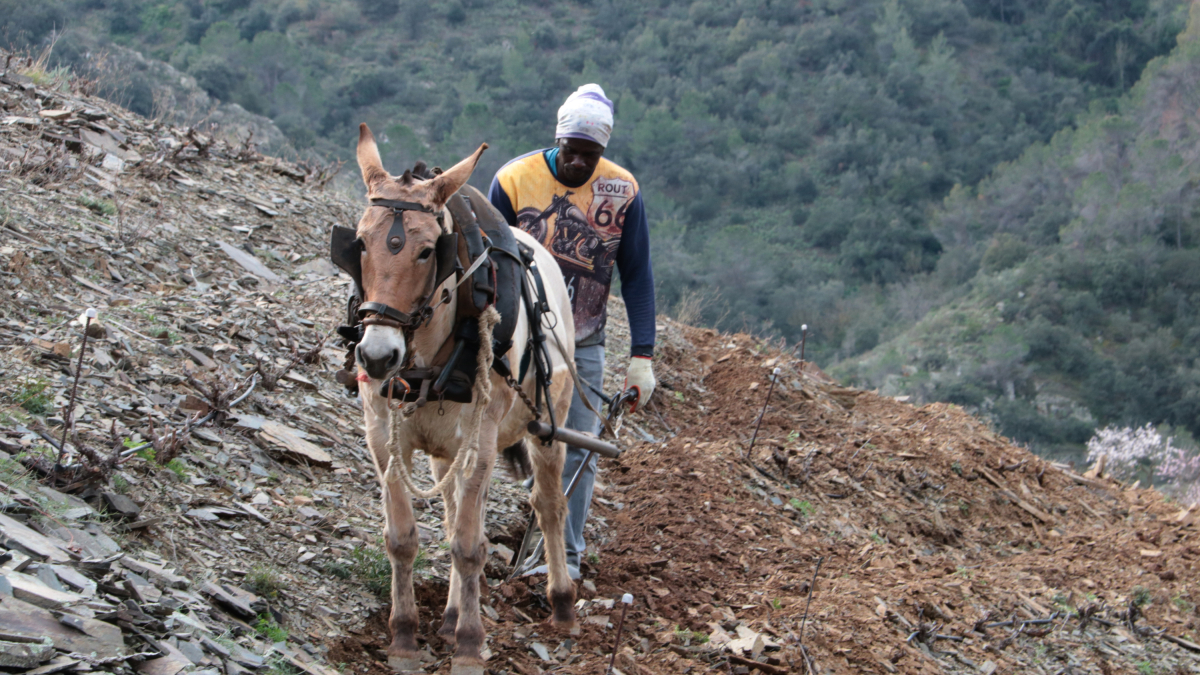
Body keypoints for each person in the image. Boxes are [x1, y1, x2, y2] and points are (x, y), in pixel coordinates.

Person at [488, 84, 656, 579]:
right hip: (519, 336)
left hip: (582, 340)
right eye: (572, 152)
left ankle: (568, 556)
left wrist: (642, 355)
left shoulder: (622, 191)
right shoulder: (515, 180)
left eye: (592, 155)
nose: (580, 164)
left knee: (578, 441)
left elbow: (638, 273)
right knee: (521, 436)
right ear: (557, 140)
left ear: (603, 151)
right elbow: (487, 261)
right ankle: (537, 517)